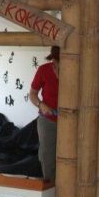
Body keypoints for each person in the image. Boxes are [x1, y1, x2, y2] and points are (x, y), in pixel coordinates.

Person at [29, 46, 59, 181]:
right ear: (53, 59)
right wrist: (41, 104)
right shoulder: (43, 70)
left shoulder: (76, 69)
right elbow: (32, 94)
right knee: (47, 155)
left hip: (71, 122)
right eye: (56, 62)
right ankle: (50, 185)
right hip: (48, 120)